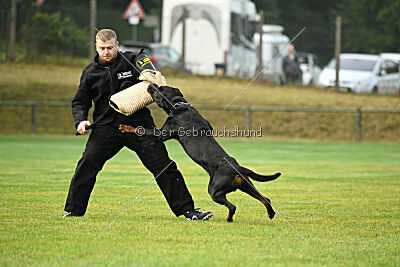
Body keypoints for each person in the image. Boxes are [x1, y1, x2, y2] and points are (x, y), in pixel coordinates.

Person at [63, 29, 212, 221]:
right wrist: (81, 120)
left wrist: (149, 73)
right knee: (87, 164)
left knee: (163, 166)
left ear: (116, 46)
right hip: (106, 128)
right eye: (102, 48)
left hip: (138, 125)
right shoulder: (90, 72)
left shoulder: (132, 60)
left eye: (110, 48)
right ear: (96, 47)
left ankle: (189, 210)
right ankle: (74, 210)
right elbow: (80, 101)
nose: (106, 52)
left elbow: (146, 66)